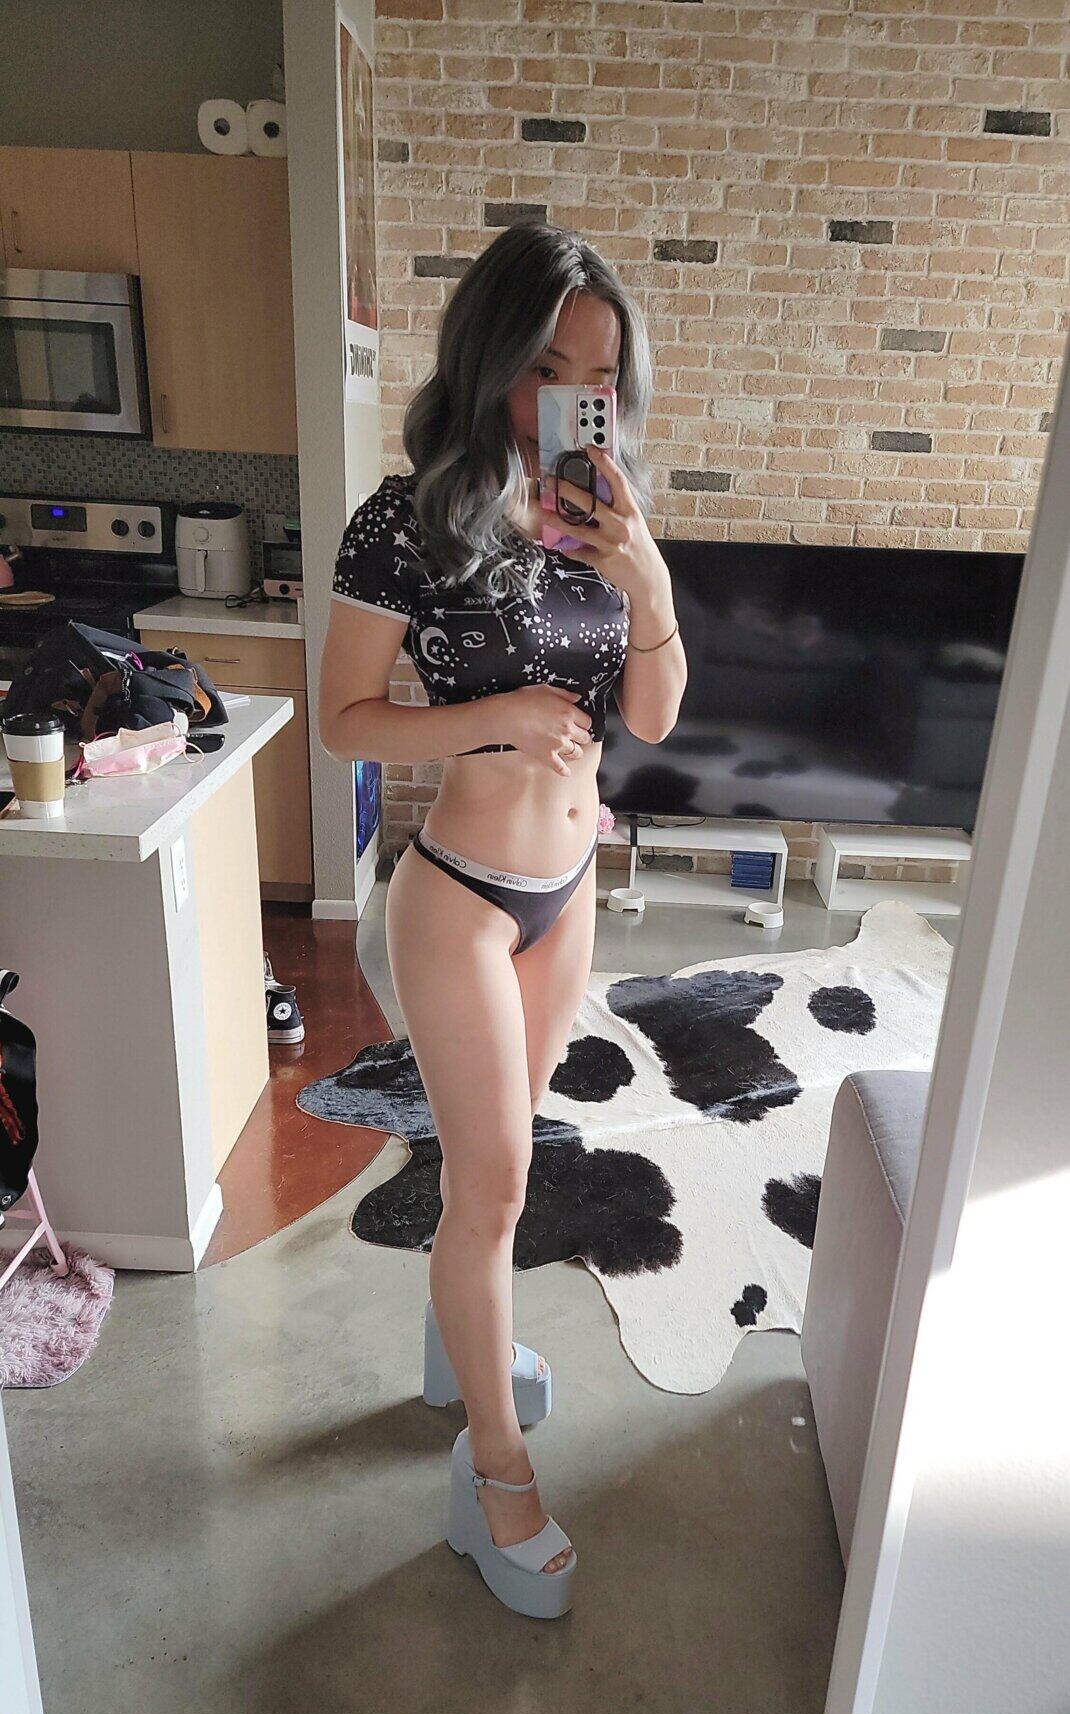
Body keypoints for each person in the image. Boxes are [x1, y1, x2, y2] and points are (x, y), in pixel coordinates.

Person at [318, 222, 687, 1618]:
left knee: (502, 1174)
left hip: (568, 889)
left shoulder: (607, 513)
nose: (575, 400)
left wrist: (647, 582)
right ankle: (494, 1477)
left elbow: (652, 715)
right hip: (462, 900)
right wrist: (498, 718)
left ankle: (454, 1348)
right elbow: (347, 721)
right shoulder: (404, 520)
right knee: (493, 1190)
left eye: (598, 374)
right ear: (491, 359)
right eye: (546, 367)